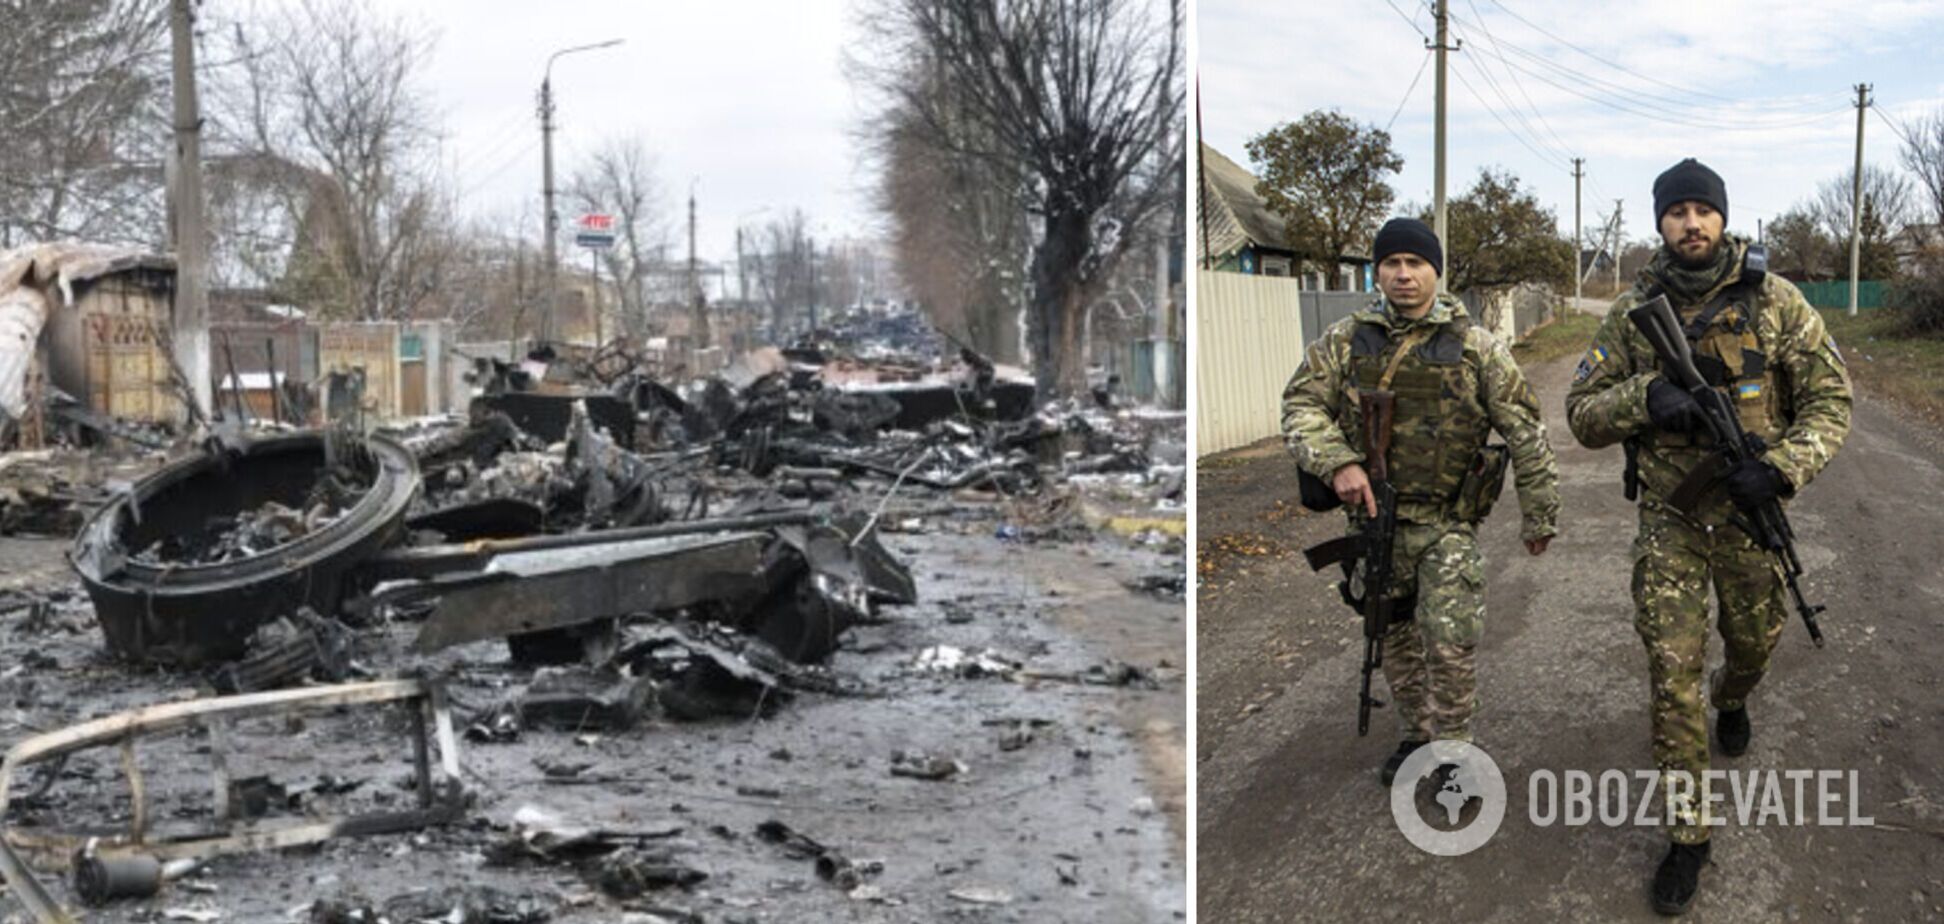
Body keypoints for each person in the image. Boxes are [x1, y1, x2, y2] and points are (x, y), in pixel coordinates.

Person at [1564, 159, 1852, 915]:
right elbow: (1581, 414)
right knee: (1671, 667)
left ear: (1722, 218)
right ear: (1660, 223)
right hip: (1673, 520)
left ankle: (1737, 696)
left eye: (1703, 210)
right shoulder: (1631, 312)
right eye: (1677, 212)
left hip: (1750, 513)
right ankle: (1689, 836)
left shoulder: (1777, 301)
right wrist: (1644, 399)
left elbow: (1831, 399)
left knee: (1754, 644)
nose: (1691, 223)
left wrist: (1784, 468)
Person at [1282, 217, 1560, 784]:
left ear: (1436, 270)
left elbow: (1526, 431)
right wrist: (1338, 461)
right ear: (1378, 271)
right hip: (1374, 520)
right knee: (1394, 633)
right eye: (1392, 264)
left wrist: (1540, 513)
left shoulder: (1477, 348)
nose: (1403, 275)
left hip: (1446, 525)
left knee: (1449, 642)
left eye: (1415, 263)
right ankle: (1418, 732)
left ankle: (1456, 753)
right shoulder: (1344, 341)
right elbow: (1300, 406)